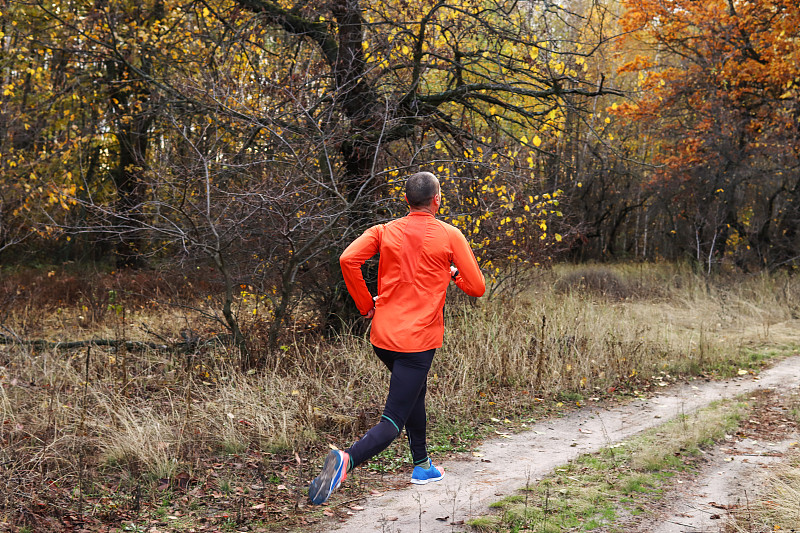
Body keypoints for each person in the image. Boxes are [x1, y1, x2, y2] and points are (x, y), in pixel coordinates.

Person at [308, 171, 485, 505]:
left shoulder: (384, 231)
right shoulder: (450, 235)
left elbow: (348, 259)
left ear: (406, 200)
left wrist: (365, 304)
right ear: (438, 199)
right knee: (393, 418)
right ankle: (348, 459)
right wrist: (454, 274)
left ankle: (422, 465)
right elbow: (477, 287)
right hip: (418, 342)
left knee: (414, 390)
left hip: (383, 338)